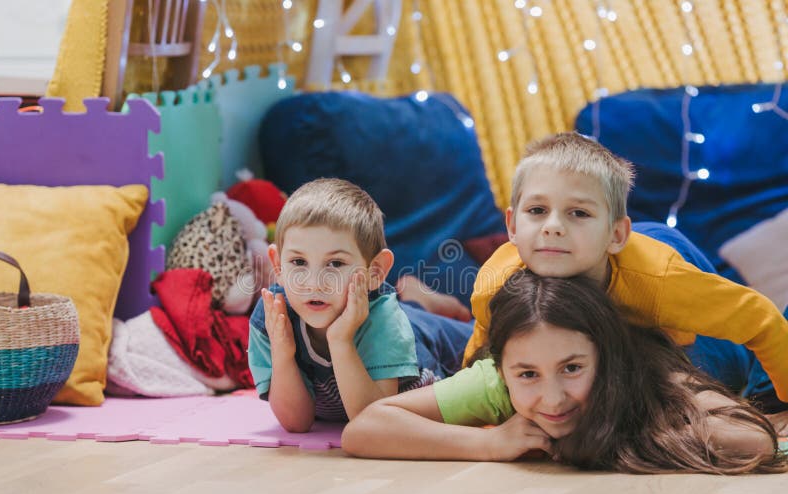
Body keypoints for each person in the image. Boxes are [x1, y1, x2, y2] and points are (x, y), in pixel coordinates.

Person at [462, 132, 788, 431]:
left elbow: (759, 319)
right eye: (537, 210)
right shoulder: (496, 285)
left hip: (668, 288)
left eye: (578, 213)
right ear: (512, 226)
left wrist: (783, 404)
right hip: (610, 257)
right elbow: (482, 355)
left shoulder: (661, 283)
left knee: (711, 383)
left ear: (617, 234)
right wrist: (484, 426)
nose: (553, 226)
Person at [342, 270, 787, 474]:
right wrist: (488, 442)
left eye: (572, 369)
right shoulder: (497, 381)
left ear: (606, 360)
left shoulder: (643, 371)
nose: (552, 400)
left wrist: (611, 430)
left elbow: (756, 439)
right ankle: (427, 302)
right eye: (528, 375)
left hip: (704, 337)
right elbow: (364, 428)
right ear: (501, 368)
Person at [248, 178, 472, 432]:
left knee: (482, 341)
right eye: (298, 262)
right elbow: (296, 423)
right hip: (386, 314)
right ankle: (413, 297)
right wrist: (283, 354)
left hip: (418, 340)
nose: (314, 283)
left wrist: (340, 339)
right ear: (277, 265)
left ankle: (417, 301)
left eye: (335, 264)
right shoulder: (272, 320)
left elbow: (373, 420)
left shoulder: (384, 318)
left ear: (375, 270)